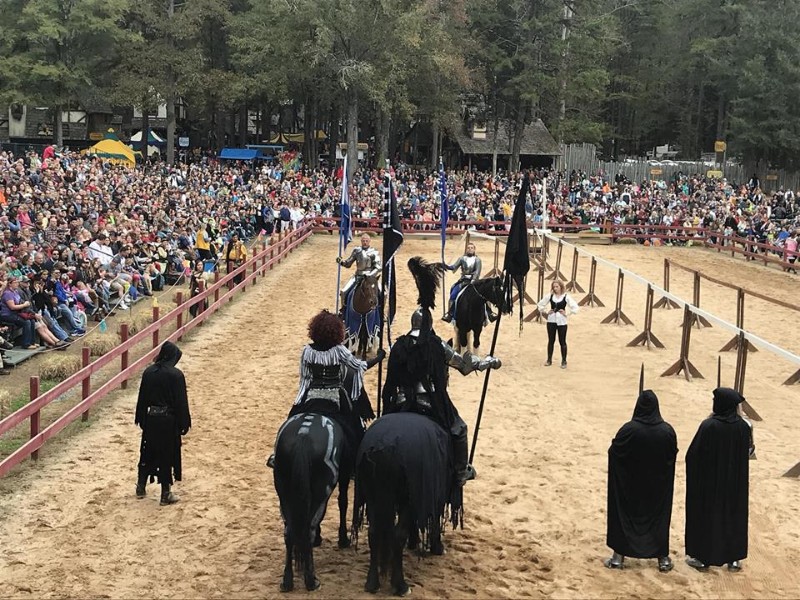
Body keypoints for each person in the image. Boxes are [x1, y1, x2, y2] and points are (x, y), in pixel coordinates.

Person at [382, 257, 501, 486]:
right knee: (459, 429)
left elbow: (391, 377)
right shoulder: (437, 345)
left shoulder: (398, 344)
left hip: (400, 399)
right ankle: (459, 471)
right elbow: (465, 366)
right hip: (430, 400)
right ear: (429, 324)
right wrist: (489, 362)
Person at [266, 310, 383, 470]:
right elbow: (358, 367)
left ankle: (277, 456)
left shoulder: (307, 351)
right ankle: (355, 462)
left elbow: (305, 380)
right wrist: (378, 358)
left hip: (311, 397)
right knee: (353, 428)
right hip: (334, 398)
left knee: (290, 420)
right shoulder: (339, 350)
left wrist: (300, 400)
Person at [605, 390, 678, 572]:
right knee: (658, 518)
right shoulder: (667, 431)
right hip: (657, 486)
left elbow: (614, 452)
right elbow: (672, 454)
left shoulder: (629, 430)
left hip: (630, 486)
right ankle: (662, 558)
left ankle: (618, 557)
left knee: (624, 516)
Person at [685, 387, 751, 572]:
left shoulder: (709, 426)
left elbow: (693, 455)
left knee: (708, 518)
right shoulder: (743, 427)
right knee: (734, 517)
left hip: (710, 484)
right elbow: (749, 452)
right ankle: (734, 558)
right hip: (735, 483)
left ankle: (703, 557)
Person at [135, 341, 191, 505]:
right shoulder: (176, 375)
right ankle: (165, 493)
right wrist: (184, 422)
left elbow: (142, 398)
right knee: (167, 455)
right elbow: (181, 402)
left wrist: (141, 419)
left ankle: (140, 486)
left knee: (147, 451)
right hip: (168, 421)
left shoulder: (148, 372)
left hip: (151, 418)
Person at [441, 241, 495, 323]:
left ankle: (490, 313)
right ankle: (450, 314)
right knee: (453, 293)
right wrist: (446, 266)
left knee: (485, 294)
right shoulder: (462, 259)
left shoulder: (477, 260)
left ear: (474, 250)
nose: (470, 249)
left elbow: (477, 272)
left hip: (475, 282)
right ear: (466, 249)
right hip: (463, 281)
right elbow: (454, 267)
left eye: (472, 248)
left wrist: (473, 281)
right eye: (468, 248)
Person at [536, 280, 579, 368]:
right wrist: (546, 312)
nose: (555, 289)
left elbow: (575, 307)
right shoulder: (550, 296)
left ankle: (564, 361)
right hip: (551, 321)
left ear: (561, 287)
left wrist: (567, 313)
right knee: (551, 341)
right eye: (554, 287)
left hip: (562, 322)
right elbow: (540, 305)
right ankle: (549, 359)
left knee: (562, 341)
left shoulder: (566, 296)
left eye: (557, 287)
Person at [337, 233, 381, 310]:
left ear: (369, 241)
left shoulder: (374, 252)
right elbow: (348, 263)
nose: (365, 242)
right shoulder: (357, 251)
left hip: (370, 278)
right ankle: (343, 310)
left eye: (366, 241)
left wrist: (370, 275)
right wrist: (341, 262)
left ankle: (382, 312)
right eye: (363, 241)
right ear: (361, 241)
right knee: (343, 291)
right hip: (358, 276)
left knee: (384, 293)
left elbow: (378, 267)